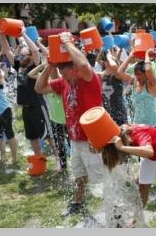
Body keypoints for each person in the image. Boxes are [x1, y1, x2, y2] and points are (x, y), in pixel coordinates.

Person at [35, 32, 105, 216]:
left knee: (101, 177)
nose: (65, 80)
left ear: (75, 69)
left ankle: (114, 208)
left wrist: (67, 42)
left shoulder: (90, 79)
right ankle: (79, 201)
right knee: (80, 174)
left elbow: (83, 63)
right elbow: (39, 88)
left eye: (67, 76)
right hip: (75, 138)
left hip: (93, 139)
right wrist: (50, 66)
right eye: (63, 76)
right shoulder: (63, 83)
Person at [102, 123, 156, 228]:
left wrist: (122, 147)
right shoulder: (120, 134)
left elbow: (149, 151)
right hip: (151, 157)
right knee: (142, 188)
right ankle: (136, 220)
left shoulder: (138, 133)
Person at [0, 27, 52, 156]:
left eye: (23, 55)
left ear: (31, 57)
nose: (20, 57)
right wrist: (2, 33)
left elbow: (34, 49)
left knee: (48, 136)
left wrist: (23, 33)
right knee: (32, 136)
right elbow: (6, 50)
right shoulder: (19, 67)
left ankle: (58, 160)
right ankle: (38, 159)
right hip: (26, 108)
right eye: (20, 55)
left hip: (38, 106)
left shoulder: (36, 65)